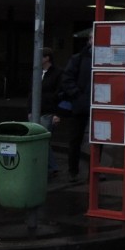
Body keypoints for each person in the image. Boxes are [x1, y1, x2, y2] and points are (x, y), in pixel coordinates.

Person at [60, 34, 93, 182]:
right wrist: (78, 96)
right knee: (75, 139)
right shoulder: (78, 58)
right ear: (90, 41)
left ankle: (96, 169)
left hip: (98, 104)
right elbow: (67, 79)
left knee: (99, 139)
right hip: (80, 105)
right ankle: (73, 170)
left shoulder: (106, 59)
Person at [29, 48, 63, 178]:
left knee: (43, 139)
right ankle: (49, 166)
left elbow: (60, 94)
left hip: (48, 111)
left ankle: (50, 166)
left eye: (40, 56)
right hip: (37, 111)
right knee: (40, 140)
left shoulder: (57, 73)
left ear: (47, 58)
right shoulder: (36, 73)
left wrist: (57, 114)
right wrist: (29, 110)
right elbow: (31, 92)